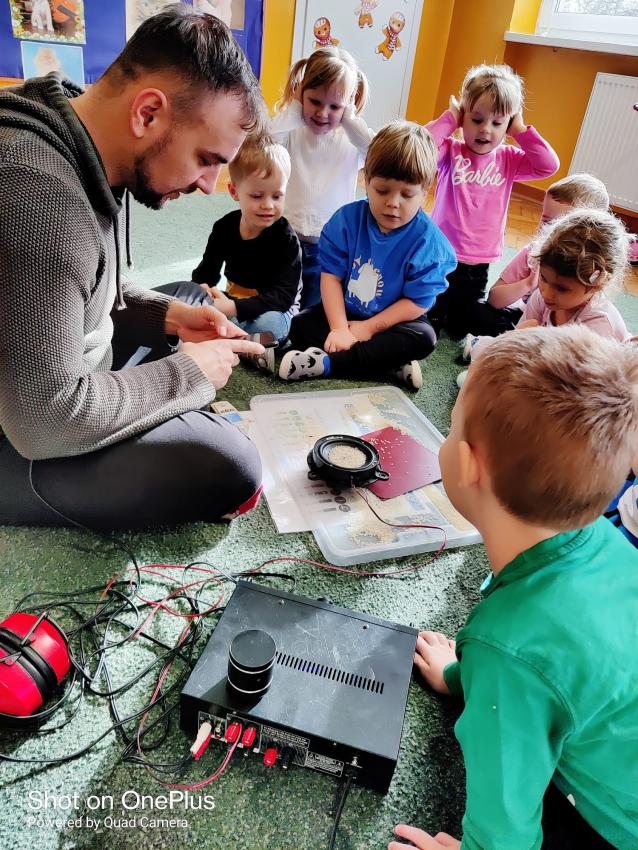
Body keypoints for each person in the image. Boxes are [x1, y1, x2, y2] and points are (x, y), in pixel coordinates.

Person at [0, 4, 268, 530]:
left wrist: (164, 316)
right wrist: (189, 375)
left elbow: (85, 283)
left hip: (40, 365)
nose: (209, 186)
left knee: (188, 297)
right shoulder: (39, 197)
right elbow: (44, 419)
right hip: (27, 425)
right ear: (147, 113)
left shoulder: (72, 127)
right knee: (233, 464)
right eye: (207, 158)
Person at [389, 325, 638, 850]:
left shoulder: (507, 650)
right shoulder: (606, 543)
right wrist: (459, 676)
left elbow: (505, 821)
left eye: (451, 426)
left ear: (465, 464)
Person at [279, 121, 456, 390]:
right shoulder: (346, 221)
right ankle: (388, 364)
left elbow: (416, 303)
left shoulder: (430, 243)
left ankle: (327, 364)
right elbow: (331, 278)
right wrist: (339, 329)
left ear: (425, 191)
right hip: (346, 312)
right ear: (367, 180)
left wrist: (369, 329)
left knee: (424, 338)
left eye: (407, 194)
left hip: (392, 323)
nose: (393, 203)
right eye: (382, 191)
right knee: (300, 326)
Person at [425, 63, 559, 339]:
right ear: (464, 116)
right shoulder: (450, 151)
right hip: (441, 255)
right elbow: (421, 148)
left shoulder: (509, 159)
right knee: (430, 316)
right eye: (476, 119)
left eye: (497, 123)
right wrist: (450, 119)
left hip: (479, 261)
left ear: (508, 124)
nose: (485, 130)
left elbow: (548, 165)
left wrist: (521, 130)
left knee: (463, 325)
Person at [155, 134, 302, 374]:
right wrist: (203, 287)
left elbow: (282, 297)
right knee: (188, 297)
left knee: (270, 324)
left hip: (272, 310)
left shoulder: (286, 239)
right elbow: (207, 271)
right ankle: (244, 344)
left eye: (277, 196)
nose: (268, 205)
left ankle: (234, 340)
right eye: (257, 196)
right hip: (231, 302)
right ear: (234, 191)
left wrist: (232, 309)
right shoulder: (224, 227)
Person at [457, 208, 631, 386]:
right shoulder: (541, 298)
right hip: (543, 362)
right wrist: (518, 340)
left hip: (582, 385)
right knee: (487, 346)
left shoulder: (600, 326)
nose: (546, 293)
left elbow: (579, 387)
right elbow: (519, 343)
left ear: (596, 285)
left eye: (561, 288)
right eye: (544, 278)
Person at [270, 46, 374, 309]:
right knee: (278, 305)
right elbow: (263, 144)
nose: (323, 113)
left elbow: (378, 152)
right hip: (284, 241)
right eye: (314, 101)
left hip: (328, 250)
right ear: (301, 93)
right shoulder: (292, 131)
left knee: (313, 312)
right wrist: (295, 109)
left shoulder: (351, 141)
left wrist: (349, 119)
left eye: (335, 106)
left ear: (348, 106)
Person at [465, 172, 610, 341]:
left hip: (563, 336)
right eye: (547, 221)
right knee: (477, 311)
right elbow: (495, 299)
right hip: (528, 320)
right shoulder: (532, 252)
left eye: (562, 226)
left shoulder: (590, 271)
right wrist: (527, 284)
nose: (551, 232)